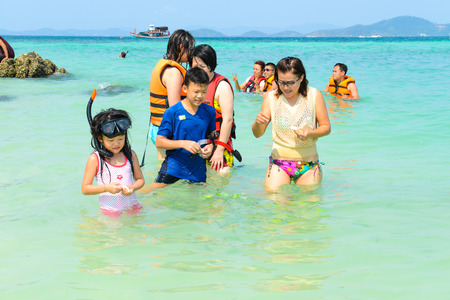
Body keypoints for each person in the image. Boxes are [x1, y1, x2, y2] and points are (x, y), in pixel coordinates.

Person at [252, 57, 331, 191]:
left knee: (307, 208)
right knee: (275, 203)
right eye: (281, 82)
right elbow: (257, 134)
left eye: (290, 83)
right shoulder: (271, 98)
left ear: (301, 78)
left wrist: (310, 133)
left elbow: (326, 128)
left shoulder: (314, 95)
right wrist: (258, 123)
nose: (285, 87)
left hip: (308, 164)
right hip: (279, 163)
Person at [151, 67, 216, 188]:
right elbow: (159, 142)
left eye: (204, 91)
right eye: (196, 91)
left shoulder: (210, 112)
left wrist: (210, 147)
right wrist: (183, 144)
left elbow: (211, 137)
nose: (200, 96)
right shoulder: (173, 112)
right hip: (173, 167)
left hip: (197, 171)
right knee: (153, 194)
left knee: (203, 203)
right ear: (185, 88)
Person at [82, 108, 145, 216]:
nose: (116, 144)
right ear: (100, 138)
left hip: (133, 206)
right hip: (111, 210)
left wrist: (133, 188)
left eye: (120, 139)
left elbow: (140, 180)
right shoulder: (95, 159)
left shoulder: (130, 154)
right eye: (111, 141)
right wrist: (106, 188)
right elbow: (85, 188)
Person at [149, 29, 195, 161]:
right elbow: (175, 107)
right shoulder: (173, 72)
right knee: (173, 170)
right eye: (189, 49)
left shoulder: (161, 64)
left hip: (157, 128)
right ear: (181, 47)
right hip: (167, 131)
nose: (191, 53)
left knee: (163, 164)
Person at [190, 44, 237, 172]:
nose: (198, 71)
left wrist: (219, 149)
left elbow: (227, 119)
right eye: (194, 67)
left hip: (219, 144)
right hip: (199, 145)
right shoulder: (193, 84)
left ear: (211, 66)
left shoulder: (222, 86)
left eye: (202, 67)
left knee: (220, 181)